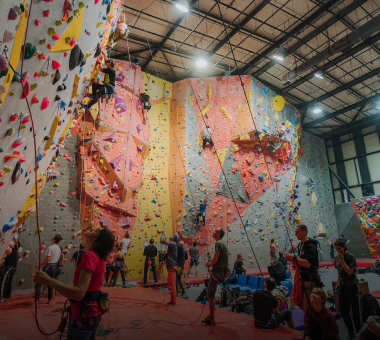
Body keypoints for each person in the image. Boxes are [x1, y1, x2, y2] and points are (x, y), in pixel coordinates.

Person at [34, 228, 115, 340]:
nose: (93, 229)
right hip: (91, 312)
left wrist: (48, 280)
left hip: (84, 314)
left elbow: (79, 293)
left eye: (97, 230)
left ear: (98, 238)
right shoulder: (98, 256)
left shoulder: (90, 256)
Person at [286, 224, 319, 311]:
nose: (295, 234)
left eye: (297, 232)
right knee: (300, 303)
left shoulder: (311, 246)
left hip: (309, 279)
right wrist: (293, 260)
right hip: (302, 278)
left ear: (303, 233)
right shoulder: (300, 244)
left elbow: (307, 264)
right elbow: (300, 261)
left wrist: (294, 257)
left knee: (307, 306)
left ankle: (312, 323)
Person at [334, 239, 361, 339]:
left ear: (344, 247)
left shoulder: (350, 257)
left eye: (339, 248)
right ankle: (350, 330)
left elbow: (350, 272)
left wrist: (342, 260)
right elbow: (339, 272)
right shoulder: (337, 258)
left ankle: (359, 331)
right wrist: (337, 283)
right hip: (343, 286)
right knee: (343, 310)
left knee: (355, 310)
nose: (338, 251)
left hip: (352, 286)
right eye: (336, 249)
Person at [203, 227, 229, 326]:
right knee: (211, 293)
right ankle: (211, 316)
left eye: (215, 231)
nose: (213, 232)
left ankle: (212, 318)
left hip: (218, 272)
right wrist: (211, 263)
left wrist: (208, 264)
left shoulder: (218, 243)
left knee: (210, 294)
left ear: (218, 234)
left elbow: (215, 259)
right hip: (220, 271)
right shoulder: (222, 243)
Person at [36, 234, 63, 304]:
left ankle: (36, 300)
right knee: (50, 283)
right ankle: (49, 300)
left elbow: (48, 259)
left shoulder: (51, 247)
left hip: (49, 267)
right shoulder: (59, 248)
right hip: (55, 267)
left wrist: (40, 265)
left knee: (39, 283)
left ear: (54, 239)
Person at [160, 230, 180, 307]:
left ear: (174, 238)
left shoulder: (173, 243)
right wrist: (165, 261)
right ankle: (172, 301)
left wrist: (163, 233)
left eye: (172, 235)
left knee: (172, 285)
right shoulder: (173, 244)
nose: (170, 235)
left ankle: (174, 302)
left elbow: (162, 240)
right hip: (171, 266)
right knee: (170, 284)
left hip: (172, 267)